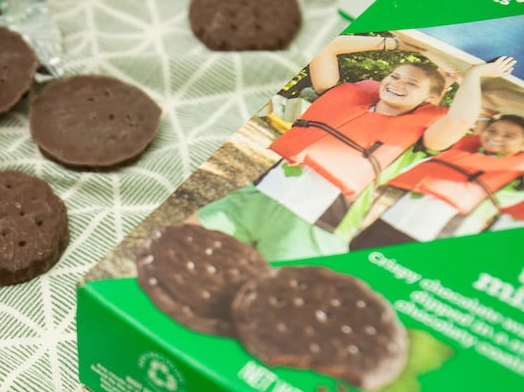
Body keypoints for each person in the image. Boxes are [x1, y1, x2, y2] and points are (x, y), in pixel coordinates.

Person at [190, 32, 517, 262]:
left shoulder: (423, 139)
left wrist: (474, 76)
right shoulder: (344, 98)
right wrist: (394, 43)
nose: (397, 84)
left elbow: (460, 120)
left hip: (314, 226)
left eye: (411, 84)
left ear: (430, 99)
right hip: (257, 199)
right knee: (182, 243)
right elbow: (327, 47)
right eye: (395, 76)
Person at [350, 114, 524, 249]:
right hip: (390, 220)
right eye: (492, 130)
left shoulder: (515, 180)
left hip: (433, 238)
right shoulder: (464, 150)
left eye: (509, 136)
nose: (497, 137)